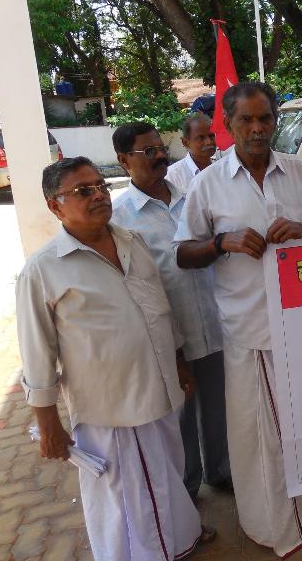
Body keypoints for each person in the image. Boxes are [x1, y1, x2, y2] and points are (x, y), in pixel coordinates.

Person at [174, 81, 302, 558]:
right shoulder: (208, 184)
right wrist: (222, 243)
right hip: (247, 330)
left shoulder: (299, 172)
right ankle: (268, 518)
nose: (257, 129)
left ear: (275, 120)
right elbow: (183, 253)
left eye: (265, 119)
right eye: (246, 120)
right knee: (257, 435)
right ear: (228, 125)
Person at [16, 157, 214, 560]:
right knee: (121, 493)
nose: (98, 196)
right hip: (109, 407)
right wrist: (48, 422)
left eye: (100, 186)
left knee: (167, 472)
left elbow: (158, 305)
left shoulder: (131, 241)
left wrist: (178, 360)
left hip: (158, 387)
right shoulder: (42, 270)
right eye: (82, 191)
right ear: (55, 206)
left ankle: (180, 539)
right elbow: (37, 352)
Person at [111, 121, 232, 501]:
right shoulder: (119, 218)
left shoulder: (192, 196)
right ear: (123, 161)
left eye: (161, 148)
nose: (160, 156)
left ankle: (220, 471)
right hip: (168, 336)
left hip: (213, 321)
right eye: (148, 151)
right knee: (179, 416)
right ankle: (186, 491)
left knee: (218, 407)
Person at [166, 112, 217, 191]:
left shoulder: (222, 168)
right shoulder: (172, 176)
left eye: (211, 136)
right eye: (201, 137)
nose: (209, 142)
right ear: (185, 142)